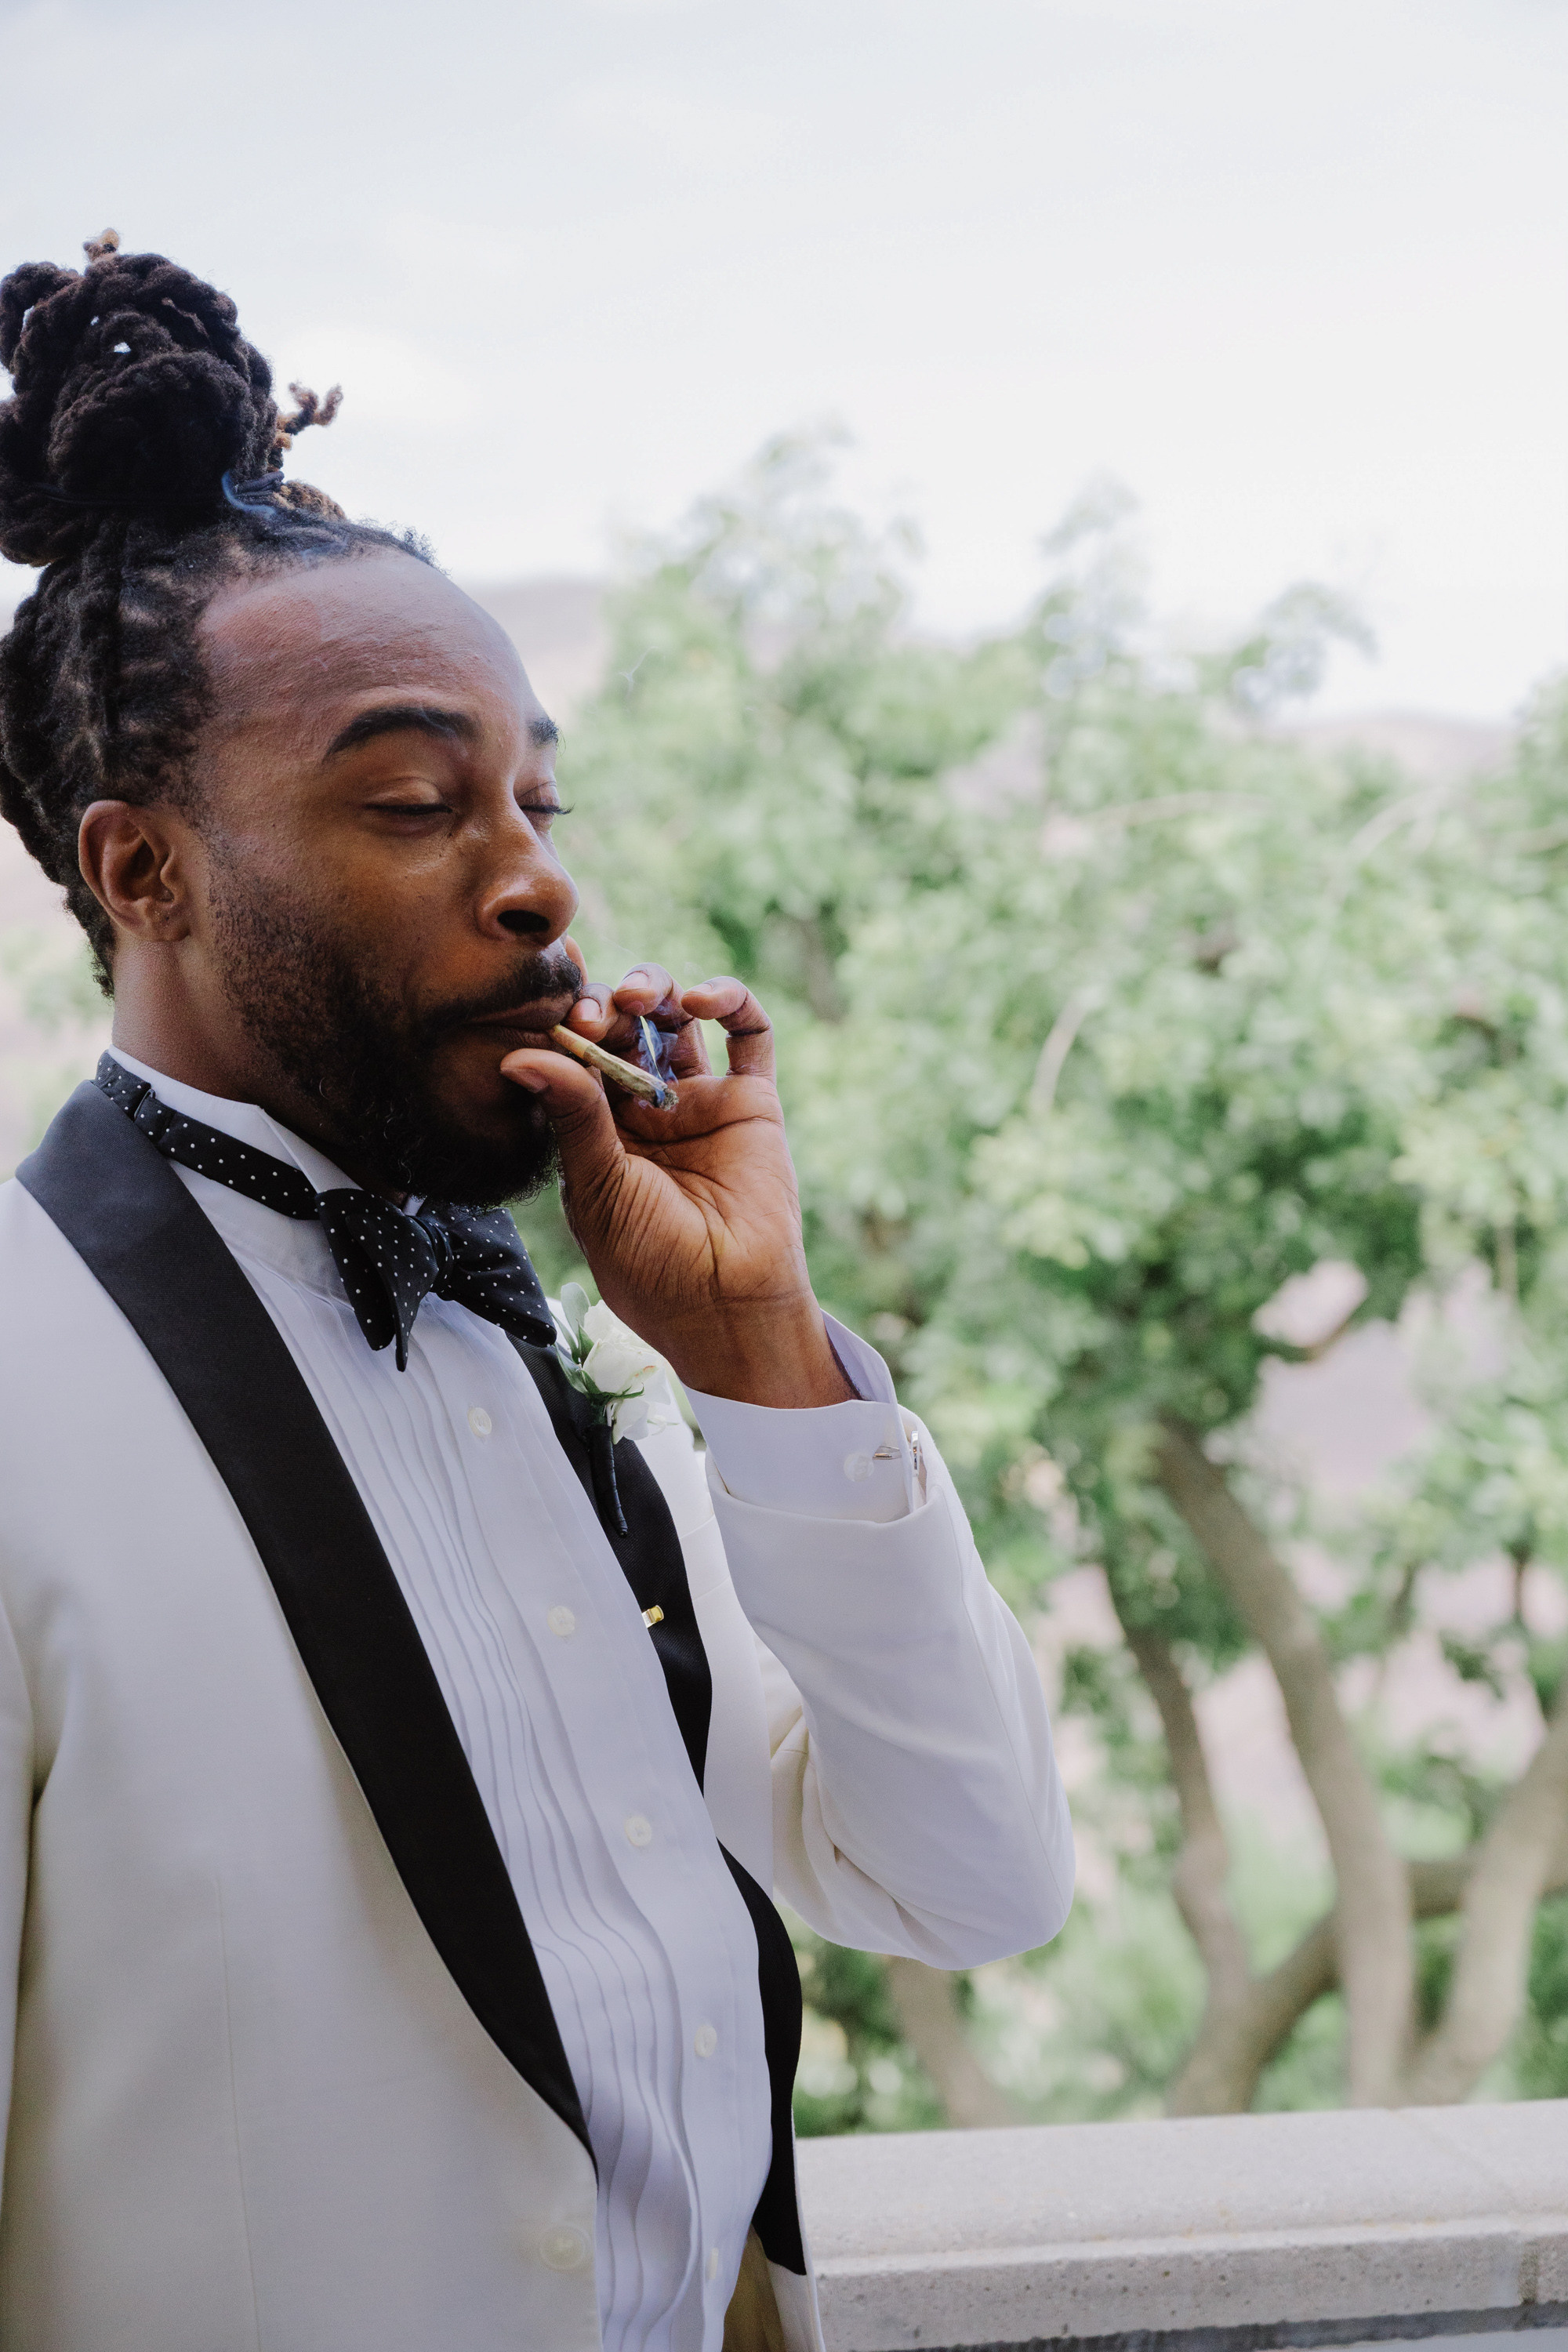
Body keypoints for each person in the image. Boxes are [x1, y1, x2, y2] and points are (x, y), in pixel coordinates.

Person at [0, 232, 1073, 2352]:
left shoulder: (563, 1371)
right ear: (145, 871)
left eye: (533, 796)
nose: (535, 873)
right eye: (414, 800)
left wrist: (760, 1357)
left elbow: (974, 1880)